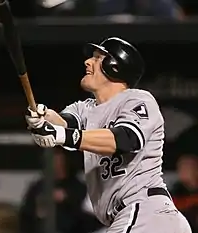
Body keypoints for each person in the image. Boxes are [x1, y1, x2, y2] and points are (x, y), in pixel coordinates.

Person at [25, 37, 192, 233]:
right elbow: (63, 122)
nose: (88, 62)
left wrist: (60, 135)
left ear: (115, 65)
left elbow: (126, 139)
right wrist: (42, 118)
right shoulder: (85, 108)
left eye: (97, 58)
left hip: (146, 212)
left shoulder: (137, 99)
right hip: (132, 217)